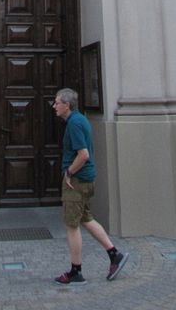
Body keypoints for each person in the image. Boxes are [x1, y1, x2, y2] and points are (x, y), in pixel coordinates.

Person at [53, 88, 129, 284]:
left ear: (67, 105)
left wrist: (69, 172)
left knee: (71, 225)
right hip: (86, 179)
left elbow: (83, 154)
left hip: (77, 181)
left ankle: (76, 271)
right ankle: (114, 254)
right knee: (86, 218)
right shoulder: (79, 120)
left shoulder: (74, 124)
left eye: (57, 103)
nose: (54, 106)